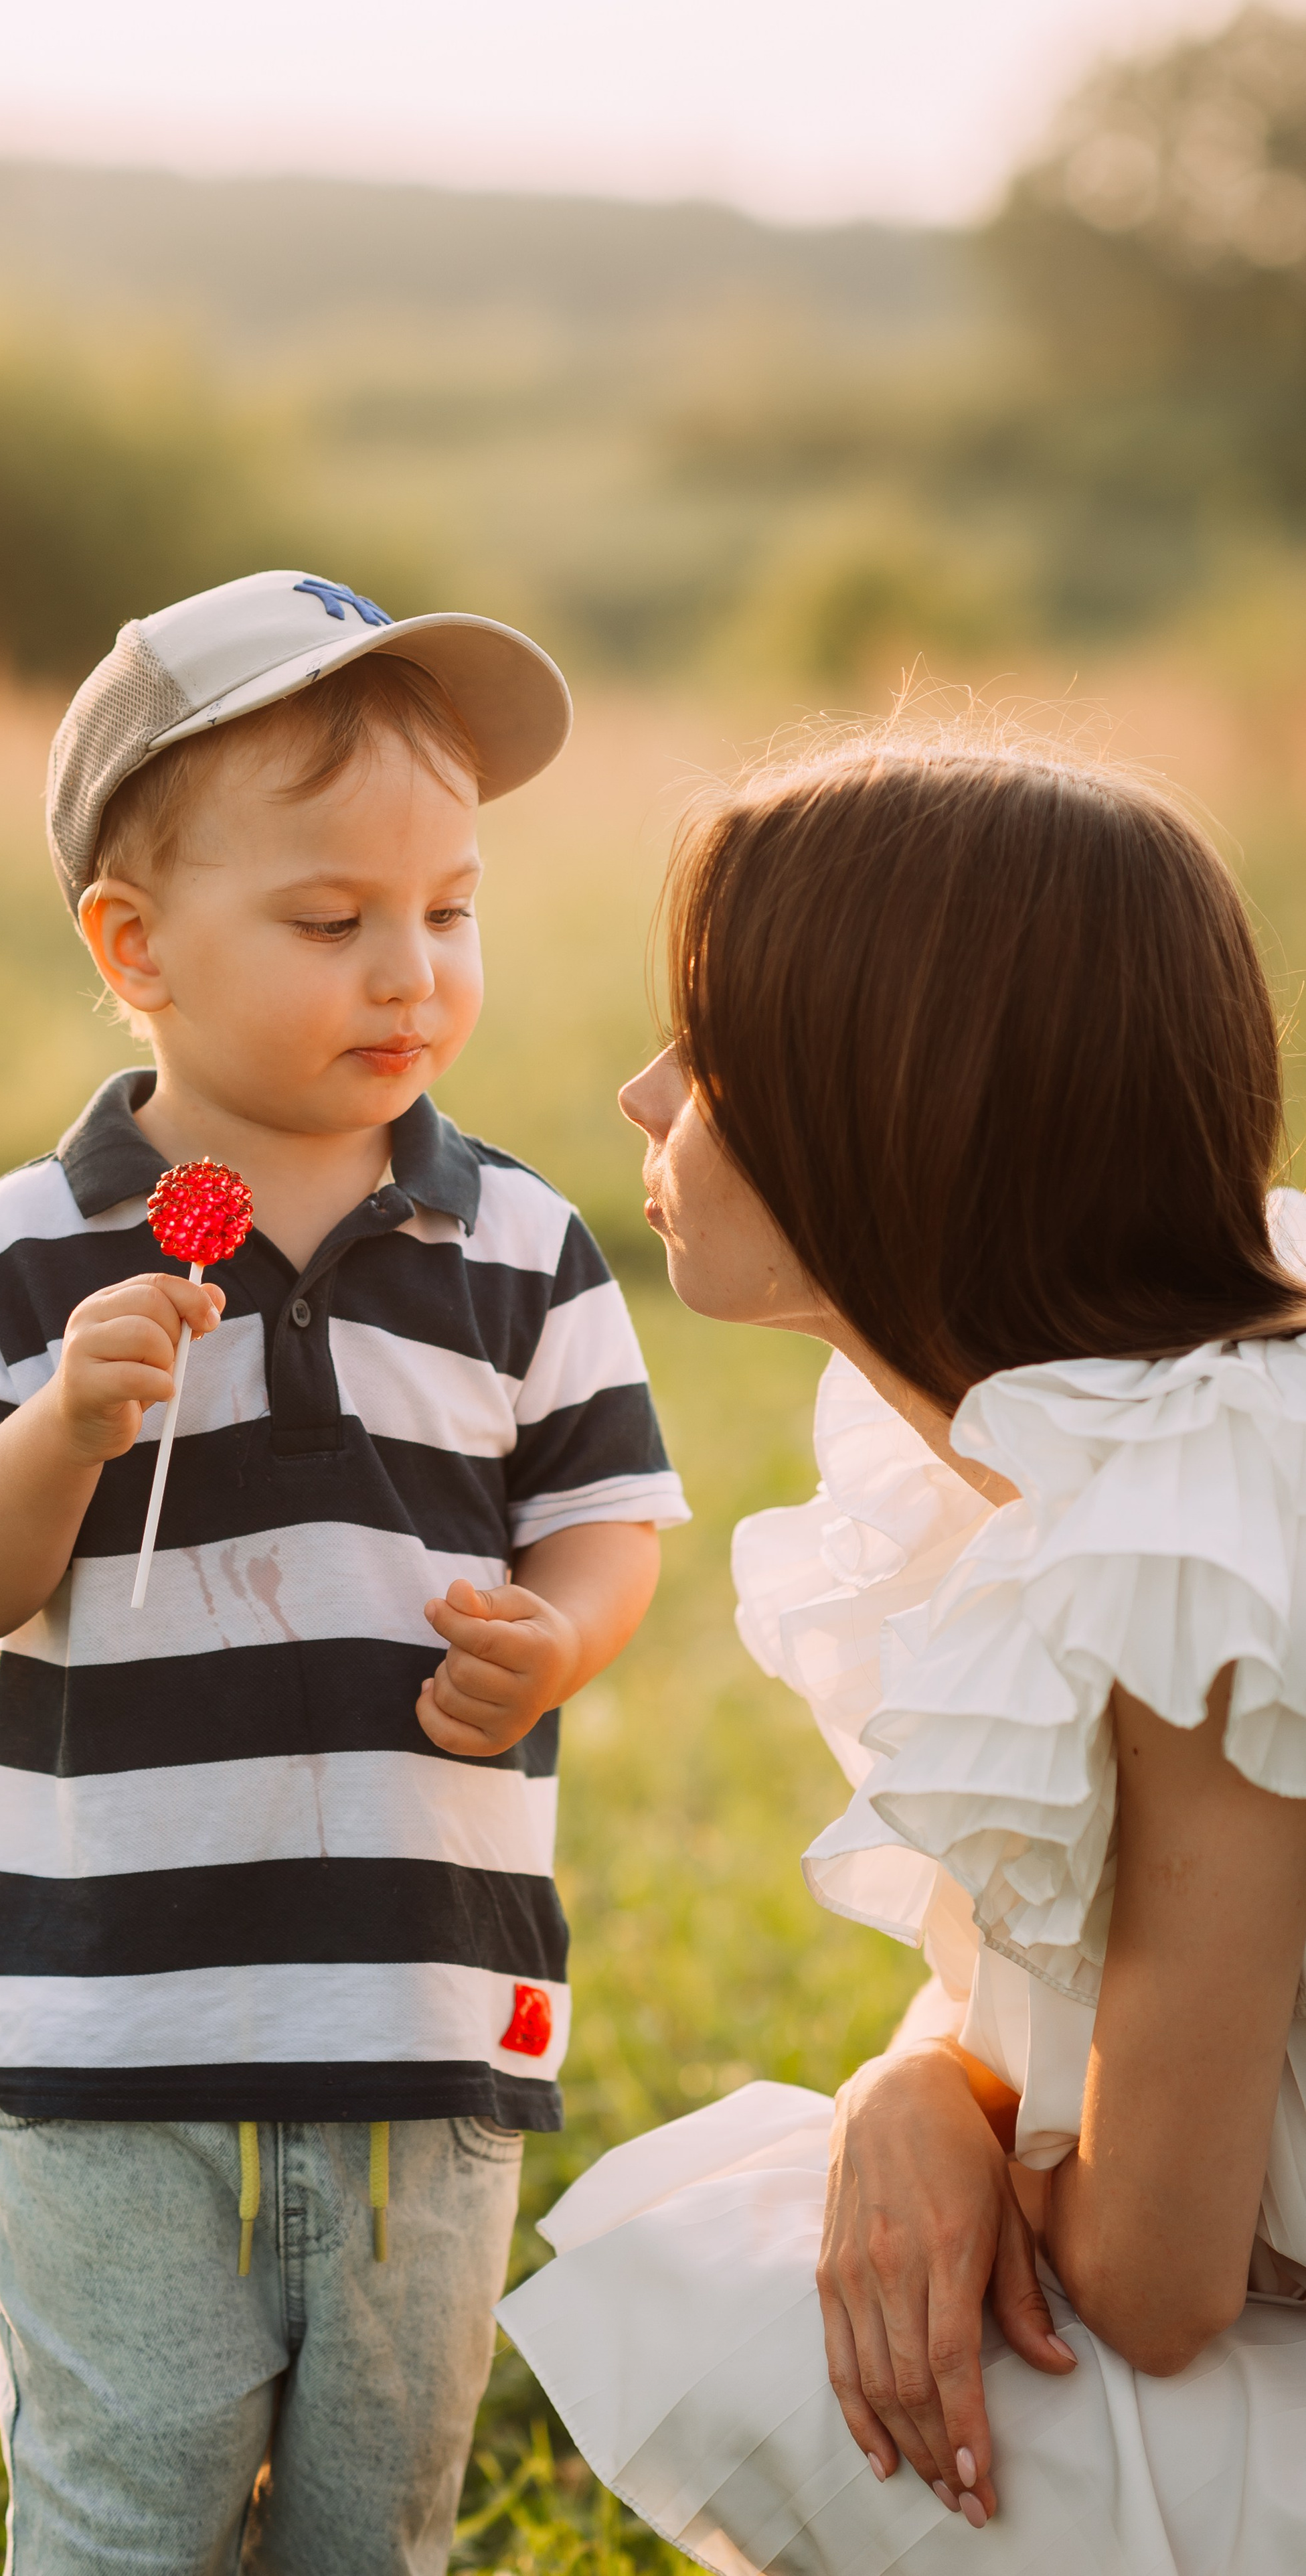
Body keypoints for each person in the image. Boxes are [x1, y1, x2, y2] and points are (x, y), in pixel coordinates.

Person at [0, 569, 689, 2575]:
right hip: (110, 2033)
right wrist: (61, 1428)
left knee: (375, 2527)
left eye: (450, 909)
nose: (410, 972)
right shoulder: (24, 1251)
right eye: (333, 924)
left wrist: (555, 1638)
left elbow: (612, 1516)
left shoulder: (519, 1246)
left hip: (429, 2017)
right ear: (134, 950)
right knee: (122, 2511)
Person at [497, 729, 1306, 2575]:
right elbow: (1070, 2004)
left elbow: (1153, 2284)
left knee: (796, 2315)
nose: (640, 1093)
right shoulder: (1075, 1441)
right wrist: (911, 2083)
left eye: (709, 1050)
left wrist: (934, 2125)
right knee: (832, 2233)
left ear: (898, 1100)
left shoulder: (1216, 1508)